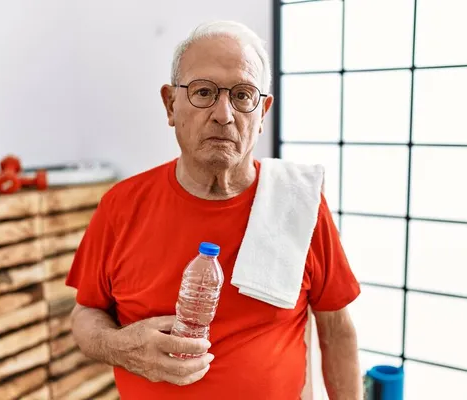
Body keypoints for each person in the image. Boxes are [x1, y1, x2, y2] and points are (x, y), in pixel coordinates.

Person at [66, 20, 362, 400]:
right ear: (171, 104)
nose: (224, 115)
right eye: (203, 92)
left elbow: (336, 328)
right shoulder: (121, 206)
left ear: (263, 113)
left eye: (242, 95)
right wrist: (118, 346)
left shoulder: (297, 203)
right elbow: (85, 314)